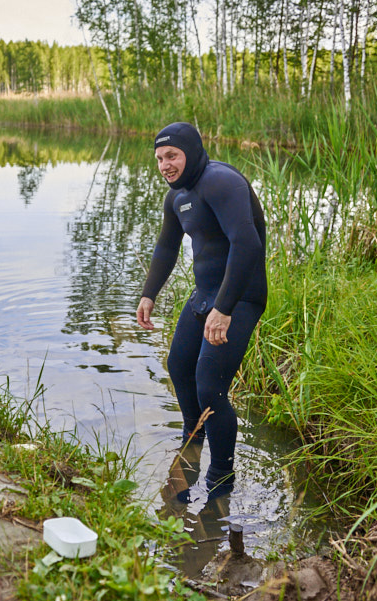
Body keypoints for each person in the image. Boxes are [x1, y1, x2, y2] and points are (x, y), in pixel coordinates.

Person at [137, 122, 267, 499]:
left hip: (239, 297)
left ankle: (221, 479)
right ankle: (192, 444)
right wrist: (149, 294)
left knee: (210, 386)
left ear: (191, 153)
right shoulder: (176, 197)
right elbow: (166, 248)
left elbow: (247, 244)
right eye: (159, 158)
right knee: (179, 366)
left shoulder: (220, 182)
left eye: (172, 155)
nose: (165, 164)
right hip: (205, 294)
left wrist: (224, 308)